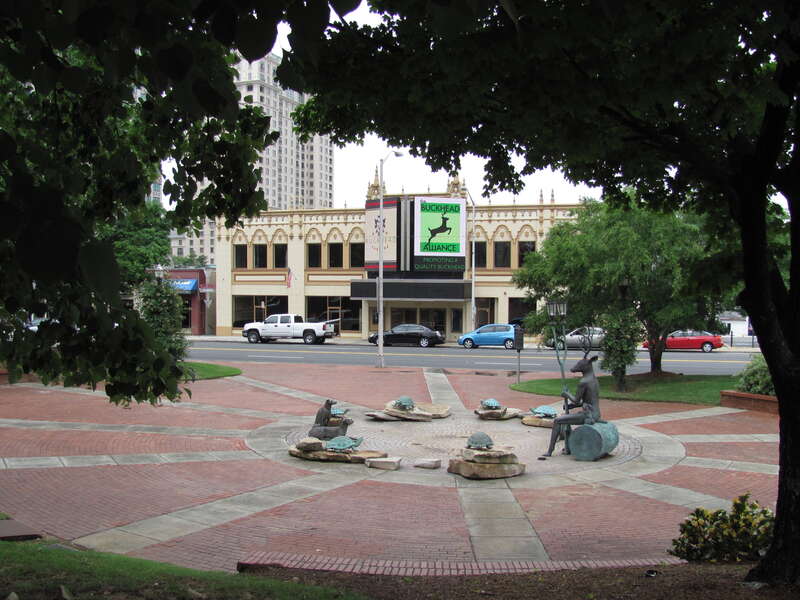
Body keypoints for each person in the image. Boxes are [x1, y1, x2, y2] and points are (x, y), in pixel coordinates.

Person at [540, 355, 602, 457]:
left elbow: (576, 401)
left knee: (557, 421)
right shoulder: (594, 380)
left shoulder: (584, 382)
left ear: (586, 367)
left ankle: (550, 451)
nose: (576, 367)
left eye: (579, 365)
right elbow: (589, 400)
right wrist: (571, 407)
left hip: (588, 416)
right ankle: (568, 446)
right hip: (596, 413)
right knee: (566, 420)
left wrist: (566, 394)